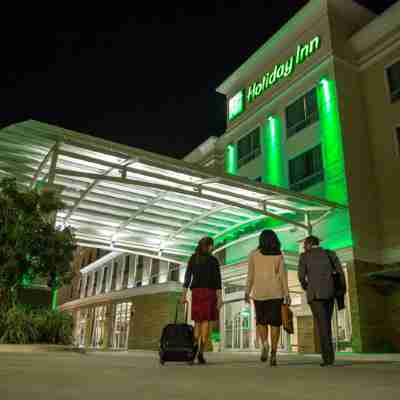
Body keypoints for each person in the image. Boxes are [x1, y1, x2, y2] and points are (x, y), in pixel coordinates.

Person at [298, 235, 346, 367]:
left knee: (322, 325)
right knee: (326, 324)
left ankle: (328, 358)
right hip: (329, 294)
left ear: (308, 244)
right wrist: (340, 291)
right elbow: (340, 273)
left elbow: (301, 277)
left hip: (315, 296)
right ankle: (329, 356)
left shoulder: (304, 256)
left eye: (304, 245)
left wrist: (307, 287)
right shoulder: (330, 254)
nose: (304, 247)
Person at [245, 230, 290, 366]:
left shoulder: (253, 254)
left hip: (259, 293)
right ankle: (274, 353)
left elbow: (250, 275)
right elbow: (283, 276)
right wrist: (287, 293)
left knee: (261, 321)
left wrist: (247, 291)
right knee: (275, 323)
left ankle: (265, 343)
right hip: (276, 293)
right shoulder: (279, 255)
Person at [181, 236, 222, 365]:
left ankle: (193, 350)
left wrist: (183, 295)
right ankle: (201, 352)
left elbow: (187, 277)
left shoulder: (194, 258)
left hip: (197, 293)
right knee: (206, 322)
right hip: (209, 293)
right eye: (212, 245)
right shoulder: (213, 260)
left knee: (197, 322)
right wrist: (220, 298)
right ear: (209, 246)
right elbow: (217, 281)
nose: (213, 248)